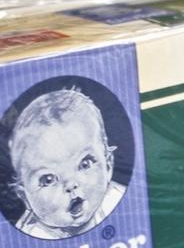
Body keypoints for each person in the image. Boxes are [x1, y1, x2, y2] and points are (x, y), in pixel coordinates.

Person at [8, 88, 126, 239]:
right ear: (25, 197)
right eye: (48, 179)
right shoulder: (30, 235)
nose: (71, 184)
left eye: (84, 164)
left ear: (108, 164)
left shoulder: (116, 200)